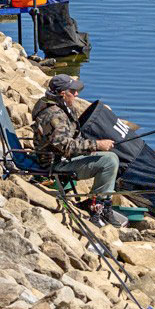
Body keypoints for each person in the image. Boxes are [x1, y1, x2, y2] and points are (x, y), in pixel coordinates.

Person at [31, 75, 123, 226]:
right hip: (56, 163)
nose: (76, 94)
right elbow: (65, 146)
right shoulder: (54, 115)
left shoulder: (61, 106)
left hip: (64, 157)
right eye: (72, 91)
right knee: (109, 161)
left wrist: (91, 147)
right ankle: (97, 208)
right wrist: (96, 145)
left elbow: (73, 137)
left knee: (110, 157)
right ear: (62, 93)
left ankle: (99, 202)